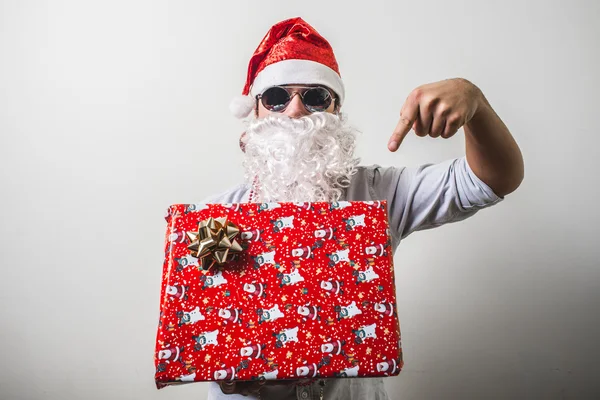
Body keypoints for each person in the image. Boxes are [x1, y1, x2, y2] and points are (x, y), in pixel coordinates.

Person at [204, 17, 524, 400]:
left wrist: (474, 100)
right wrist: (222, 367)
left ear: (336, 110)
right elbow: (204, 331)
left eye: (315, 97)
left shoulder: (377, 192)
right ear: (255, 112)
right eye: (276, 97)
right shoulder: (217, 218)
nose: (294, 112)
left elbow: (494, 179)